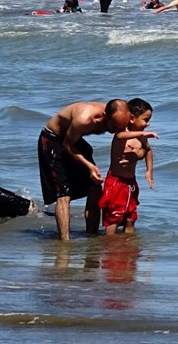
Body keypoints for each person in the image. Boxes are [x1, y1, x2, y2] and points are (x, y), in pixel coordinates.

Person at [38, 99, 132, 240]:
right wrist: (89, 166)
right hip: (54, 141)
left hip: (74, 139)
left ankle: (92, 235)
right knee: (64, 195)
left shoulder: (118, 114)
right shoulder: (84, 119)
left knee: (95, 188)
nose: (116, 131)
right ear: (103, 115)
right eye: (114, 127)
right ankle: (65, 242)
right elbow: (67, 145)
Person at [100, 98, 158, 235]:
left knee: (130, 218)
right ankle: (110, 244)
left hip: (130, 182)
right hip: (116, 183)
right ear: (132, 118)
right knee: (114, 217)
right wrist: (144, 134)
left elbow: (148, 151)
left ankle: (130, 246)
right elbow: (121, 136)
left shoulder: (141, 138)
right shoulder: (122, 134)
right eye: (145, 120)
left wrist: (149, 171)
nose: (148, 124)